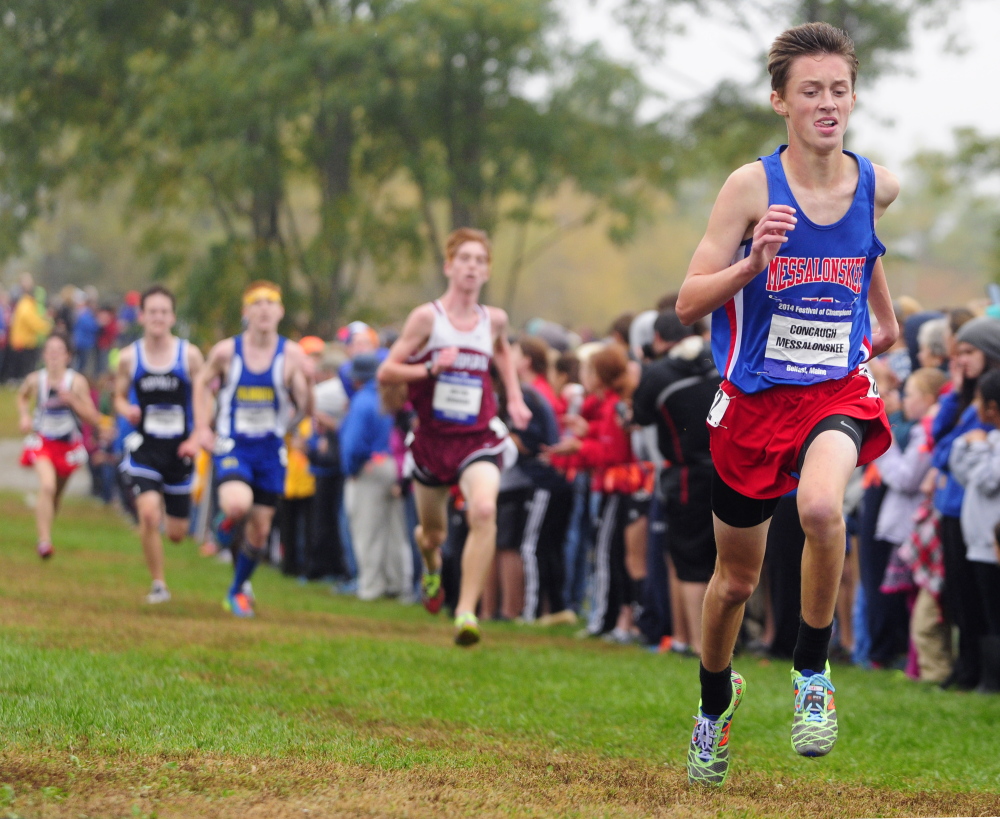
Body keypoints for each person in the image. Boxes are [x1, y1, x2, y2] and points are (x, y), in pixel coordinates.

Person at [674, 22, 899, 786]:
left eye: (839, 89)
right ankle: (714, 703)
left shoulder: (876, 180)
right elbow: (684, 303)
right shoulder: (749, 188)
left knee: (821, 510)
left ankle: (812, 673)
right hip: (752, 401)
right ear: (780, 102)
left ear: (853, 96)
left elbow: (865, 243)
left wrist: (884, 313)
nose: (828, 103)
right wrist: (751, 264)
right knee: (735, 582)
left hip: (833, 391)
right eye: (811, 91)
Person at [376, 227, 530, 646]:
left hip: (477, 437)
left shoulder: (493, 318)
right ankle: (430, 568)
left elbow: (501, 349)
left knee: (483, 509)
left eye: (480, 261)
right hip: (431, 441)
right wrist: (429, 370)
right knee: (433, 535)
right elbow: (386, 371)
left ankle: (465, 611)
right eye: (465, 259)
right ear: (449, 266)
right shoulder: (428, 318)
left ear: (487, 272)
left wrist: (513, 397)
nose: (472, 267)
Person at [192, 280, 313, 617]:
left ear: (280, 311)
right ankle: (224, 522)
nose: (263, 309)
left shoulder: (292, 355)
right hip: (234, 444)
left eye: (270, 302)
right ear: (246, 312)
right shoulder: (226, 352)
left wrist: (309, 385)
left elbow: (306, 406)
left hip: (271, 450)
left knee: (259, 530)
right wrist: (203, 427)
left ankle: (236, 591)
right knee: (236, 505)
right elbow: (201, 382)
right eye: (256, 303)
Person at [115, 285, 204, 603]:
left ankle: (173, 517)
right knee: (149, 514)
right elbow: (118, 397)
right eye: (152, 311)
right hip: (146, 450)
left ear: (173, 317)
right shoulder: (129, 357)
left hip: (180, 451)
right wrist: (128, 410)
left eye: (164, 312)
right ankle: (158, 584)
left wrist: (196, 437)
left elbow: (204, 398)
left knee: (178, 534)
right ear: (141, 316)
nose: (158, 317)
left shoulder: (189, 355)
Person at [17, 332, 104, 558]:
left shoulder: (76, 382)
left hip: (67, 445)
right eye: (50, 351)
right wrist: (25, 416)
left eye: (59, 351)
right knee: (47, 486)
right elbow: (22, 396)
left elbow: (93, 417)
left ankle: (45, 528)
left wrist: (73, 401)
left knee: (55, 495)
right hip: (43, 441)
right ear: (44, 354)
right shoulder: (36, 379)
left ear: (68, 356)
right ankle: (44, 541)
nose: (54, 356)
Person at [340, 352, 412, 601]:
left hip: (370, 468)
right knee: (395, 532)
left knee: (368, 531)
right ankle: (398, 584)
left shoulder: (362, 400)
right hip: (397, 466)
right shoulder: (393, 394)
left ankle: (371, 587)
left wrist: (352, 470)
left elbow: (353, 444)